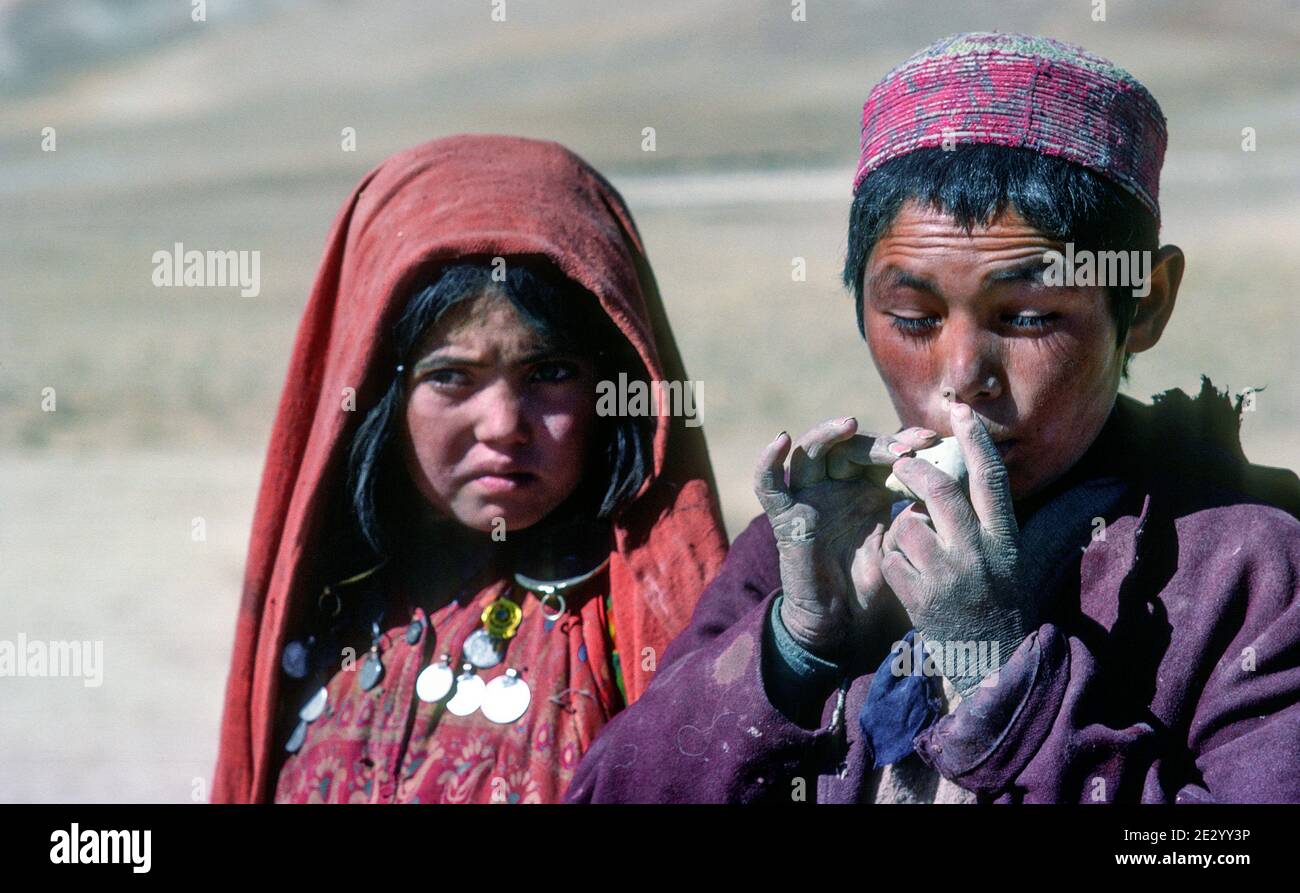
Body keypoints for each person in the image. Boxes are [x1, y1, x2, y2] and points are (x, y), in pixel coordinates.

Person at [567, 33, 1300, 804]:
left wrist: (1002, 681)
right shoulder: (810, 549)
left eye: (1024, 316)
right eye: (913, 317)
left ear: (1144, 302)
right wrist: (795, 650)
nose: (961, 381)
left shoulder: (1250, 571)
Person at [210, 134, 728, 803]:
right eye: (452, 376)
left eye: (549, 373)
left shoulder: (659, 637)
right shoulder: (320, 605)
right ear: (380, 395)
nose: (504, 424)